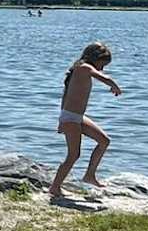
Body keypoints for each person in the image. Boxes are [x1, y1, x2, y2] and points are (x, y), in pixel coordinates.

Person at [51, 41, 121, 201]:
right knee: (73, 155)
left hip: (77, 117)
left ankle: (89, 175)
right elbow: (102, 77)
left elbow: (66, 96)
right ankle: (55, 187)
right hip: (70, 118)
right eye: (102, 64)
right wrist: (113, 84)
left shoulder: (83, 69)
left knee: (104, 141)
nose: (102, 69)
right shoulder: (83, 67)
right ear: (95, 58)